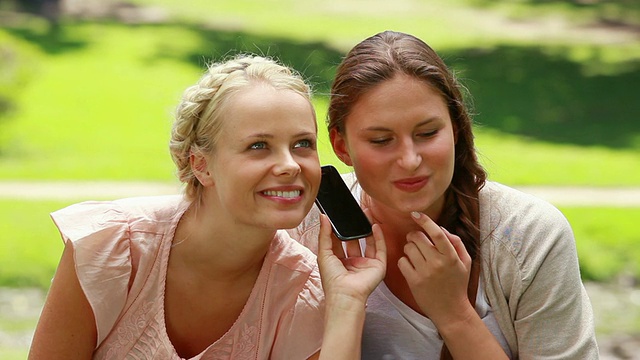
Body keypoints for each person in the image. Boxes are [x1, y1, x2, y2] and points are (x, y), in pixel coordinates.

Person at [28, 54, 386, 360]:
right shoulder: (112, 248)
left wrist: (346, 304)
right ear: (200, 164)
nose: (290, 165)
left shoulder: (303, 292)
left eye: (302, 144)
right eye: (259, 146)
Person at [290, 31, 599, 359]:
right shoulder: (305, 229)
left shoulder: (528, 236)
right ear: (341, 146)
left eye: (427, 133)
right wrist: (346, 305)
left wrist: (455, 314)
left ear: (455, 129)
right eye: (381, 140)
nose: (410, 160)